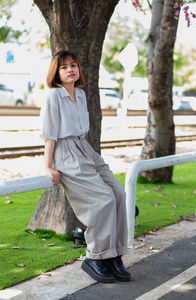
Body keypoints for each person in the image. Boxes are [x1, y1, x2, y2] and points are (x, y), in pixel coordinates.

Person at [41, 50, 131, 283]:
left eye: (74, 65)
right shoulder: (53, 96)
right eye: (64, 67)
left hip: (84, 148)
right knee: (104, 199)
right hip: (66, 153)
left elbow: (83, 130)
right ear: (56, 73)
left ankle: (114, 255)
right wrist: (48, 166)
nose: (70, 69)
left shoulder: (80, 95)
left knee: (119, 194)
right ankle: (96, 257)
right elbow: (50, 135)